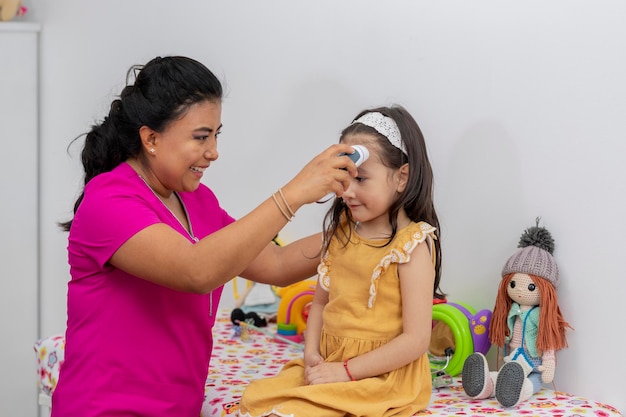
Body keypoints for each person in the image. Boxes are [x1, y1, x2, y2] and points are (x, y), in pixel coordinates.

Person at [51, 55, 360, 417]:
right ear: (150, 138)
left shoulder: (197, 201)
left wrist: (366, 231)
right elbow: (196, 271)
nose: (213, 152)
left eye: (216, 135)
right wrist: (294, 193)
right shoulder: (108, 200)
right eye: (201, 137)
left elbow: (277, 263)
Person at [238, 105, 444, 417]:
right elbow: (320, 304)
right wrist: (311, 354)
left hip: (382, 376)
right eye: (344, 178)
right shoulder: (340, 235)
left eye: (361, 178)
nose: (348, 191)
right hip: (332, 364)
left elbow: (416, 340)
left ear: (402, 177)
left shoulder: (411, 245)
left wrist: (347, 371)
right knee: (259, 401)